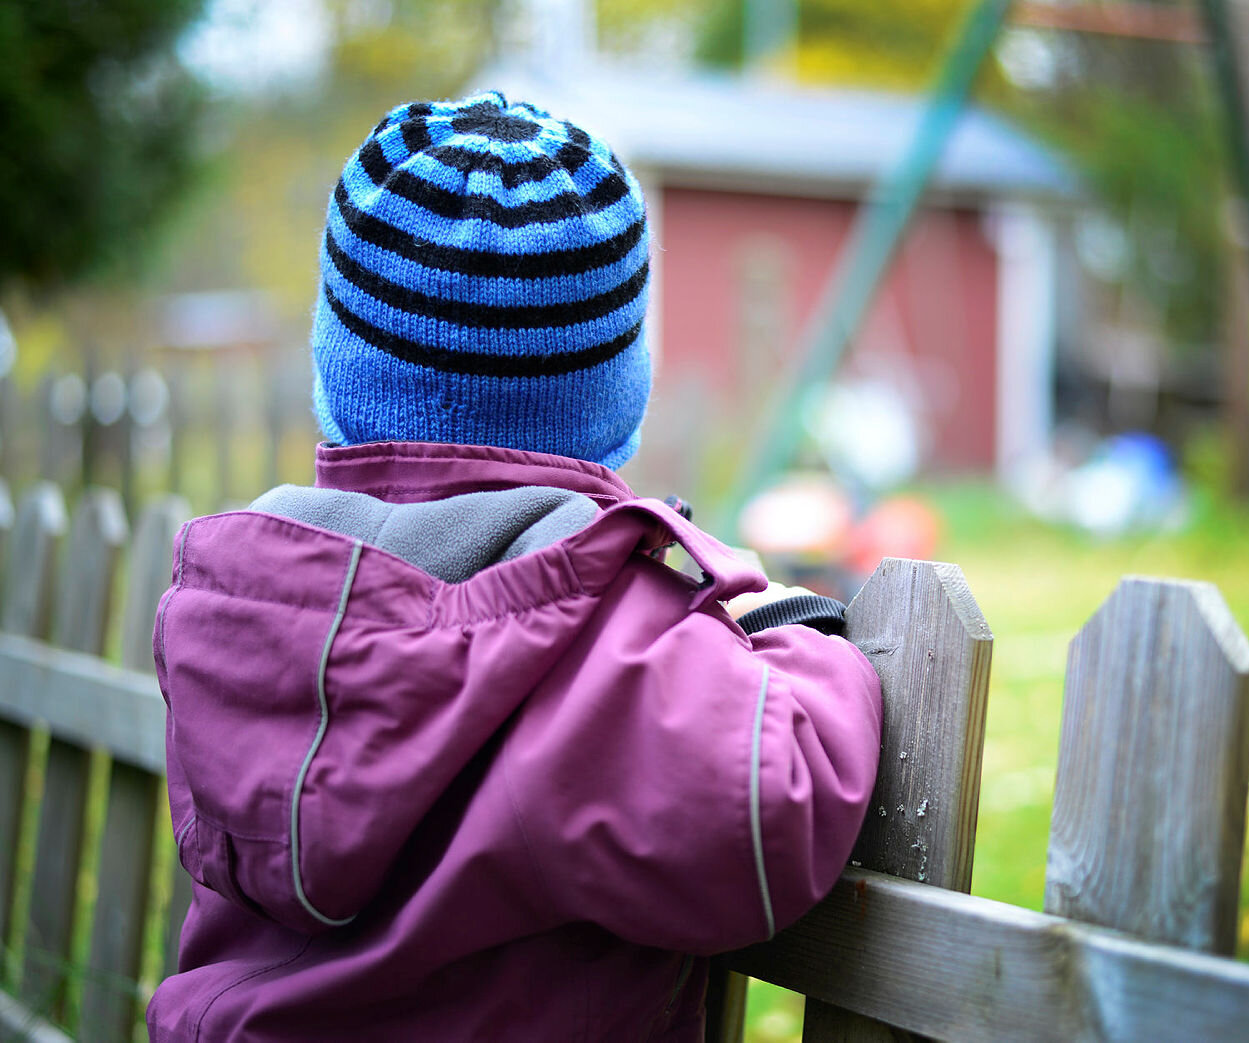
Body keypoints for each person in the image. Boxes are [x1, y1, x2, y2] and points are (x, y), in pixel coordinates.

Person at [147, 92, 883, 1041]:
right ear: (619, 404)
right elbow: (770, 803)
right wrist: (792, 628)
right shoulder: (601, 641)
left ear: (333, 376)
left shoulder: (231, 603)